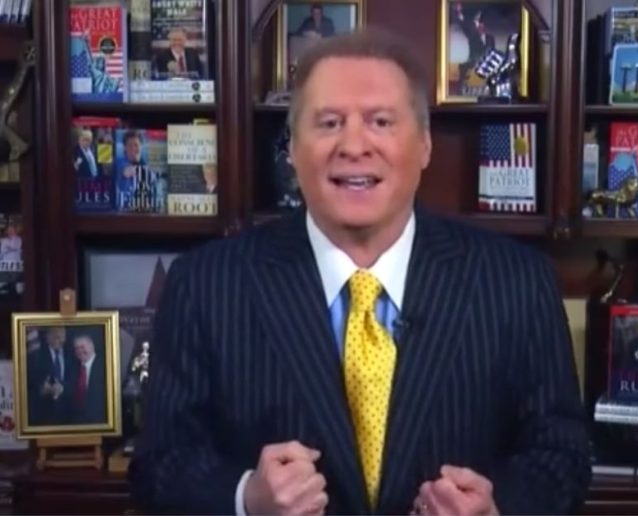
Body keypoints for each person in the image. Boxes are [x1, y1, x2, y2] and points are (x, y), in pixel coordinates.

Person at [129, 29, 590, 515]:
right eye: (329, 123)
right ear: (293, 148)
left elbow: (562, 454)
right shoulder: (205, 285)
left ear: (425, 145)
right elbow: (159, 465)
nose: (353, 145)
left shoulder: (516, 282)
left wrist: (498, 508)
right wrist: (247, 497)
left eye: (381, 121)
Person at [27, 327, 73, 426]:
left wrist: (62, 387)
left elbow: (75, 381)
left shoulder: (72, 355)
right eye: (54, 333)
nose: (57, 337)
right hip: (42, 413)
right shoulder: (35, 356)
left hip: (67, 414)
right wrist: (42, 389)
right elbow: (29, 382)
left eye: (61, 334)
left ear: (65, 337)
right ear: (47, 337)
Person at [67, 334, 107, 424]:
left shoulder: (105, 365)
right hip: (77, 422)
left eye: (82, 347)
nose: (80, 351)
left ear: (91, 345)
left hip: (99, 422)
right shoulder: (73, 368)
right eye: (77, 348)